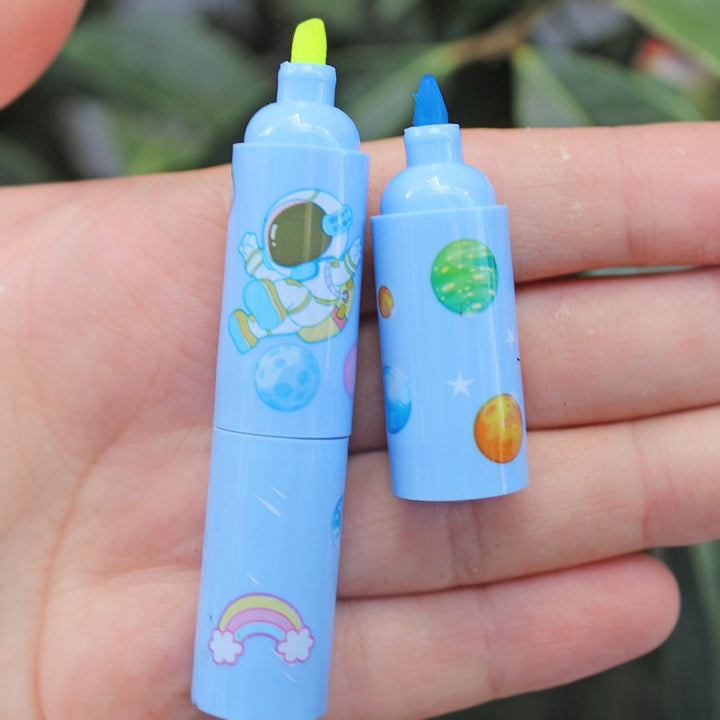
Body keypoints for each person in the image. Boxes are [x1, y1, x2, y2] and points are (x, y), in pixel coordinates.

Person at [1, 2, 719, 718]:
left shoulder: (339, 229)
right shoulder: (292, 204)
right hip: (269, 404)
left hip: (306, 407)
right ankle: (245, 674)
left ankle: (262, 676)